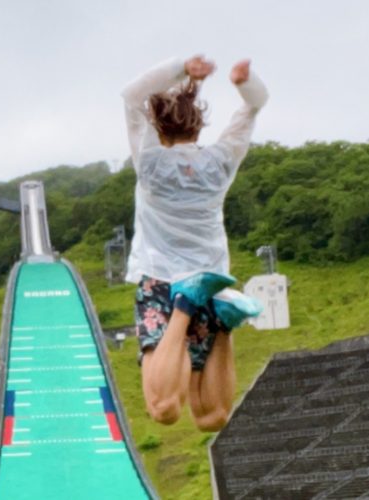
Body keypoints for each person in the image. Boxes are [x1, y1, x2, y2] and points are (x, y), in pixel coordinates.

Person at [121, 55, 268, 431]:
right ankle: (225, 320)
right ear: (197, 128)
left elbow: (131, 95)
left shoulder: (150, 160)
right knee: (212, 417)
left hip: (163, 281)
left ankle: (184, 305)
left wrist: (182, 69)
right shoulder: (220, 162)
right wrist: (243, 83)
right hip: (212, 281)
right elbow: (254, 105)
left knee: (164, 408)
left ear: (157, 127)